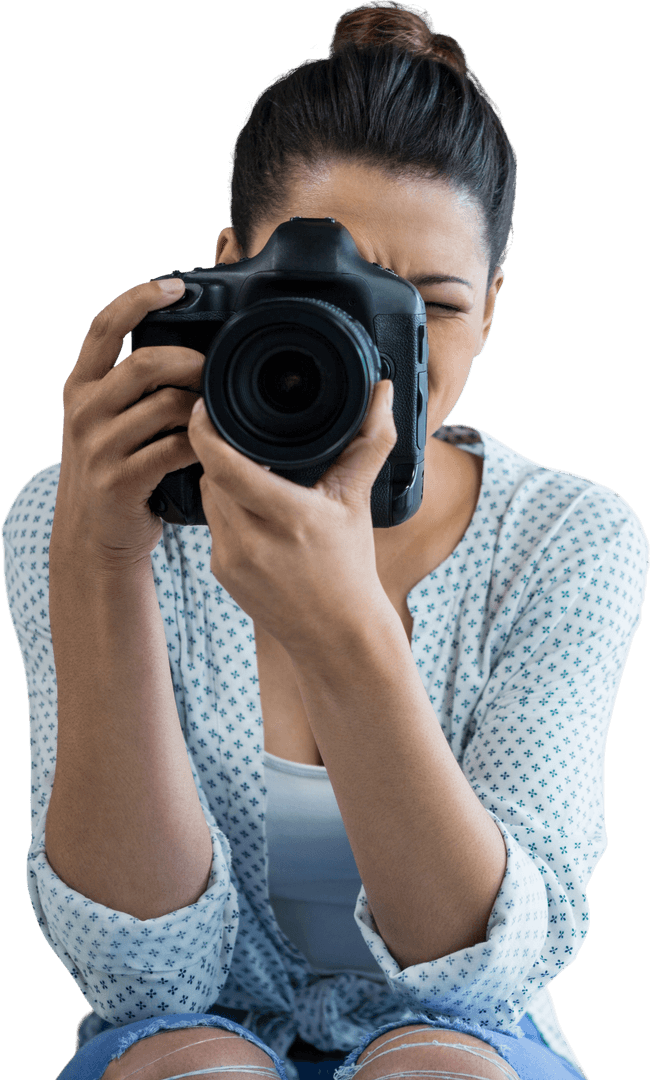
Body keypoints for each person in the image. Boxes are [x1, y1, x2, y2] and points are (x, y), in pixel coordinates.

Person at [2, 3, 648, 1079]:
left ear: (490, 310)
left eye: (427, 308)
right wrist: (101, 560)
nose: (376, 362)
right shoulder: (89, 504)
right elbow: (145, 984)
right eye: (319, 301)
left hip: (469, 1046)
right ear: (221, 274)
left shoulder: (566, 537)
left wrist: (346, 629)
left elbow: (485, 977)